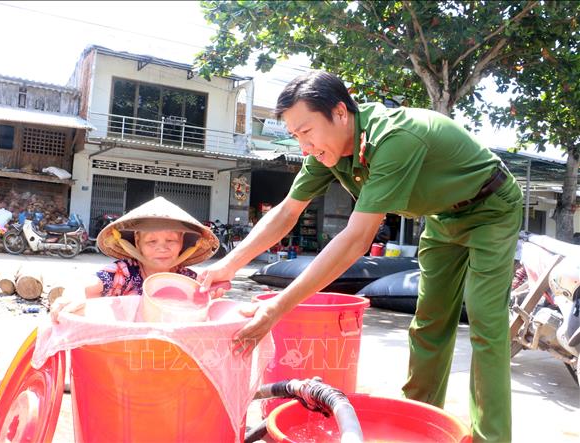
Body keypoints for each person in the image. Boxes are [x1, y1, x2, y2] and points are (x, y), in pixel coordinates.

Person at [199, 70, 522, 442]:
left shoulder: (394, 138)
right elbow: (287, 212)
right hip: (441, 217)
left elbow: (355, 240)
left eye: (307, 132)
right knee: (429, 322)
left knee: (485, 321)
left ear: (339, 112)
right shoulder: (325, 152)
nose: (304, 146)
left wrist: (278, 308)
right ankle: (418, 422)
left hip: (491, 207)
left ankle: (492, 437)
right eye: (296, 136)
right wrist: (227, 265)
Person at [51, 197, 219, 322]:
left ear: (182, 242)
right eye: (152, 241)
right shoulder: (124, 272)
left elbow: (208, 304)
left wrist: (214, 293)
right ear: (137, 243)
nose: (162, 248)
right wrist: (71, 297)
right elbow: (83, 283)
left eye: (171, 240)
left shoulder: (188, 280)